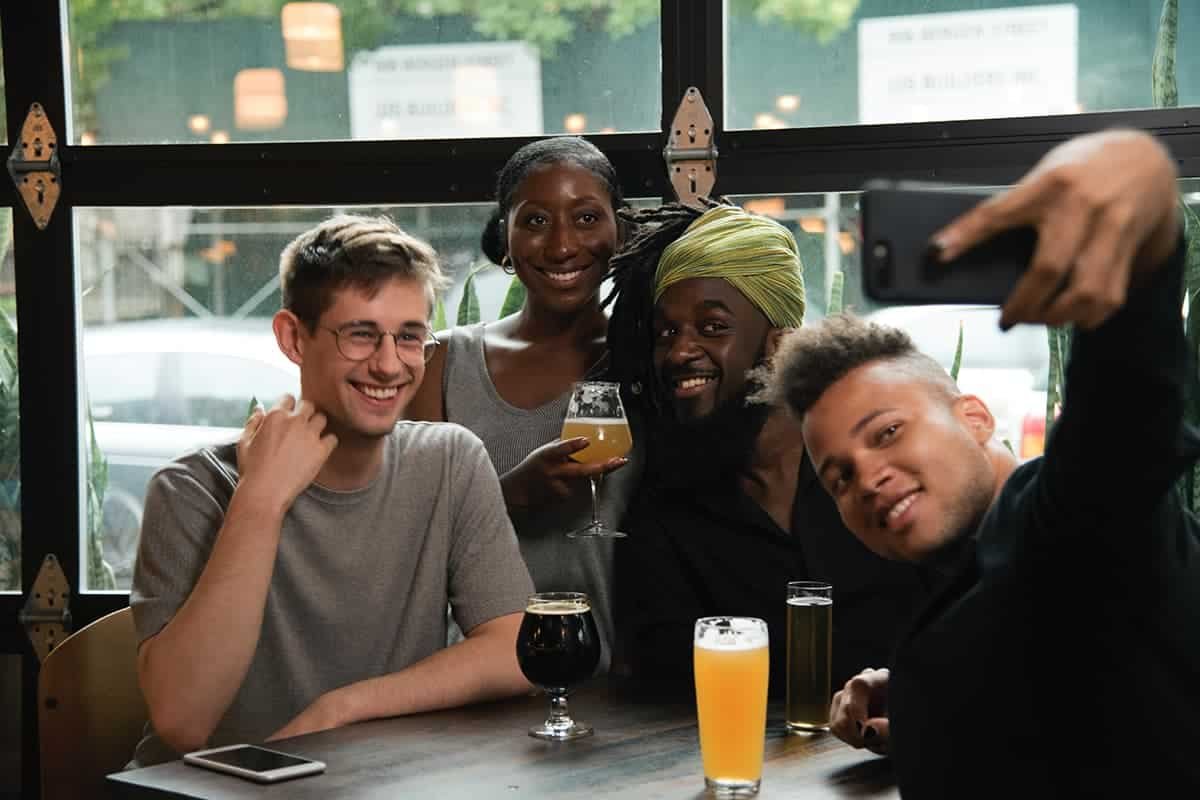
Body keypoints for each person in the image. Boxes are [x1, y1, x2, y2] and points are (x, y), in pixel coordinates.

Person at [766, 129, 1200, 795]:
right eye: (839, 477)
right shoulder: (968, 579)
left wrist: (1139, 190)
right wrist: (924, 702)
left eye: (886, 433)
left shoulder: (1064, 520)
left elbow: (1126, 411)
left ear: (974, 418)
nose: (867, 478)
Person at [129, 215, 534, 766]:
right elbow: (183, 722)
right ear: (293, 338)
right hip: (214, 790)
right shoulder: (190, 489)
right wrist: (261, 499)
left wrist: (342, 709)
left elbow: (516, 649)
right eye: (360, 334)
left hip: (365, 782)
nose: (389, 365)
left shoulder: (450, 462)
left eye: (409, 336)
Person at [605, 201, 928, 693]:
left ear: (780, 345)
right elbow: (664, 682)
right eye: (666, 333)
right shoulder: (664, 513)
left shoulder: (877, 474)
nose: (679, 352)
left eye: (713, 327)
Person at [409, 137, 638, 673]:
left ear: (620, 233)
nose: (562, 246)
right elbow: (405, 542)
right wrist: (507, 495)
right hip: (474, 684)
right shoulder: (442, 363)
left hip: (623, 688)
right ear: (505, 239)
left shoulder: (650, 362)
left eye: (586, 218)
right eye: (535, 221)